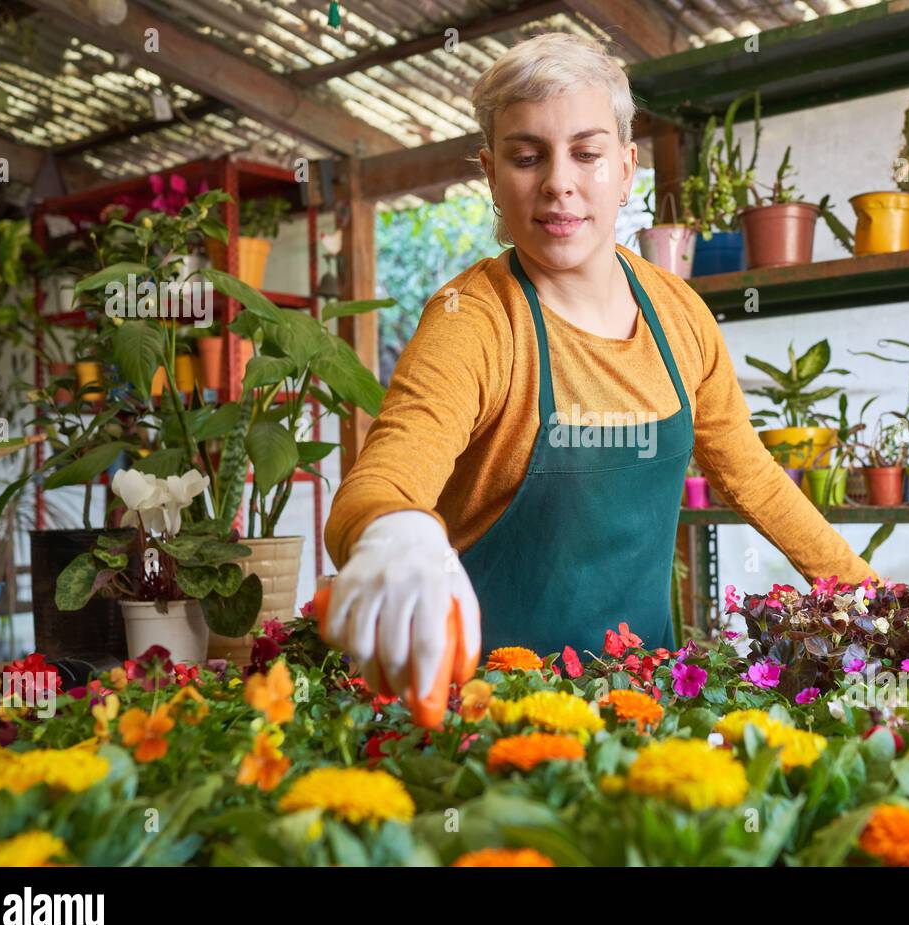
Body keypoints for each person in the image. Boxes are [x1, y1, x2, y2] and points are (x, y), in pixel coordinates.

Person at [322, 32, 877, 707]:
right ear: (491, 175)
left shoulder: (678, 312)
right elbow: (383, 477)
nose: (559, 182)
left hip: (645, 699)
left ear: (626, 167)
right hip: (484, 713)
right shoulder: (474, 321)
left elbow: (754, 477)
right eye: (527, 157)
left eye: (586, 153)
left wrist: (872, 599)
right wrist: (393, 529)